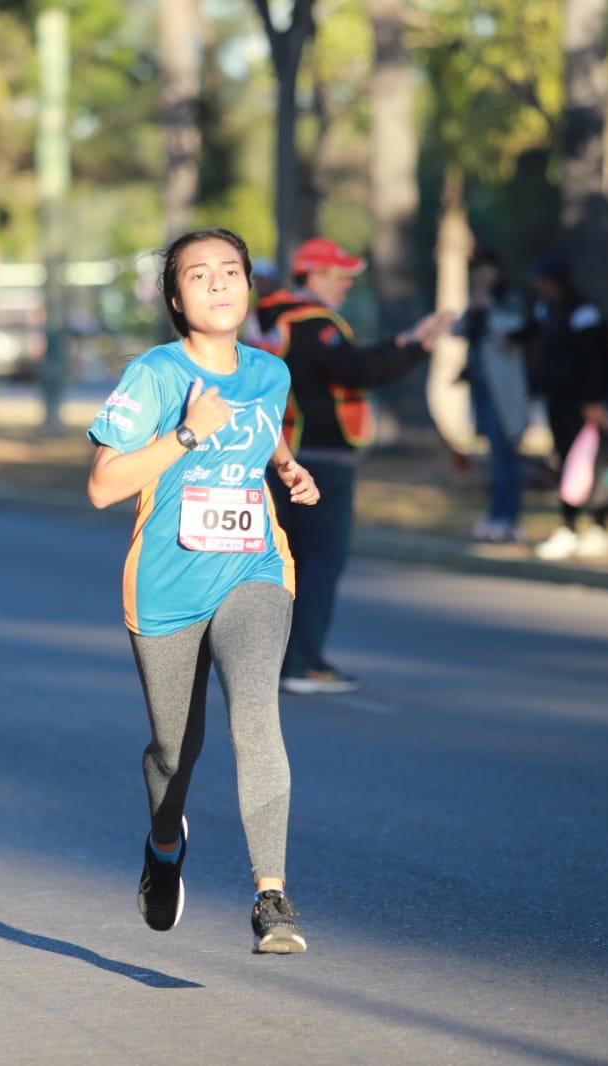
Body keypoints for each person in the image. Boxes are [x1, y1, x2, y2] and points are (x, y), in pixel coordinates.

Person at [86, 227, 320, 954]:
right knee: (172, 752)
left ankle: (272, 897)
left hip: (254, 567)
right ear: (175, 298)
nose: (218, 284)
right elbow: (102, 486)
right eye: (199, 275)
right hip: (166, 585)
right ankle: (163, 845)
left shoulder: (271, 371)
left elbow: (265, 428)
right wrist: (187, 435)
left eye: (231, 272)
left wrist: (285, 468)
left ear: (249, 286)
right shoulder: (154, 377)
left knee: (255, 713)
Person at [254, 237, 448, 694]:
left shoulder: (267, 315)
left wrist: (400, 342)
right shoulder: (315, 323)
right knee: (320, 561)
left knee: (287, 563)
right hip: (320, 457)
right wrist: (416, 347)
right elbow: (355, 371)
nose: (345, 285)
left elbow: (348, 362)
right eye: (339, 276)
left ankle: (281, 660)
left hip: (277, 452)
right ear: (312, 275)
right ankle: (302, 664)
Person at [530, 251, 608, 561]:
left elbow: (595, 360)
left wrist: (594, 399)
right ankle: (568, 525)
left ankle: (599, 525)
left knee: (592, 463)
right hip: (558, 399)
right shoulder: (546, 310)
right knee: (566, 462)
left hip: (584, 403)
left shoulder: (584, 313)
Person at [449, 248, 531, 543]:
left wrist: (487, 307)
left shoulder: (510, 299)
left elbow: (513, 333)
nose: (482, 277)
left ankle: (509, 516)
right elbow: (457, 330)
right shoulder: (476, 304)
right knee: (494, 456)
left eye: (486, 271)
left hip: (505, 390)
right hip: (482, 389)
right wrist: (474, 306)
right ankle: (498, 514)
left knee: (507, 454)